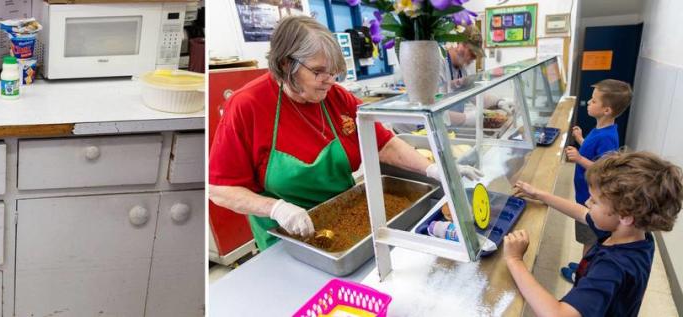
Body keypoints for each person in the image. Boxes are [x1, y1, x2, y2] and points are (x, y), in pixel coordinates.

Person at [208, 16, 482, 250]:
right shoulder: (247, 106)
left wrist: (434, 169)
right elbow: (220, 189)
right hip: (285, 237)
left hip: (346, 218)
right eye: (318, 72)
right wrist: (276, 209)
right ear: (284, 65)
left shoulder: (337, 97)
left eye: (334, 73)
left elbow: (383, 143)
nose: (330, 81)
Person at [508, 151, 682, 316]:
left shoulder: (612, 266)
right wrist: (539, 194)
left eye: (595, 201)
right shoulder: (634, 233)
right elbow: (581, 213)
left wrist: (515, 260)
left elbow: (558, 314)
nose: (587, 202)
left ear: (625, 216)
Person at [563, 79, 632, 281]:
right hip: (584, 194)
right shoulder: (600, 129)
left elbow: (605, 169)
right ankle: (586, 265)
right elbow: (597, 155)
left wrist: (579, 158)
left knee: (589, 239)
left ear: (607, 110)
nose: (589, 103)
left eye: (593, 101)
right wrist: (581, 140)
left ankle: (582, 274)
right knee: (587, 237)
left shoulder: (608, 137)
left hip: (592, 199)